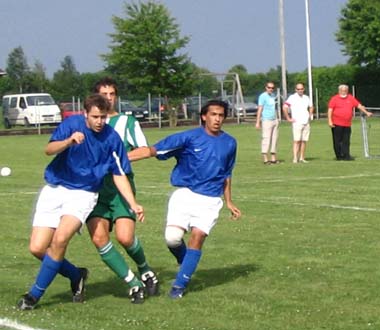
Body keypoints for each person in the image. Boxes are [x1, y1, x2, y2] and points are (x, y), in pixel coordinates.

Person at [17, 94, 144, 310]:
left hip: (83, 194)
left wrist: (133, 203)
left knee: (60, 240)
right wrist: (68, 141)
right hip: (55, 189)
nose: (99, 122)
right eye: (95, 117)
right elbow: (49, 150)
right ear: (85, 113)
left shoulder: (111, 138)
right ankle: (76, 275)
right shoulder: (71, 124)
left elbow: (119, 173)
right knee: (37, 248)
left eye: (103, 117)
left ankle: (34, 295)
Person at [149, 100, 241, 299]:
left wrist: (229, 201)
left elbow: (227, 173)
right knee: (172, 238)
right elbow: (154, 150)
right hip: (184, 195)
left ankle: (179, 286)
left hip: (210, 200)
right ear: (204, 116)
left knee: (197, 236)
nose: (217, 119)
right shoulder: (189, 137)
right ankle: (186, 264)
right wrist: (123, 158)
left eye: (221, 115)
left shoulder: (230, 142)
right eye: (213, 114)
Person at [87, 77, 159, 304]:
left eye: (112, 94)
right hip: (95, 189)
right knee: (99, 238)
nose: (108, 98)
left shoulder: (127, 122)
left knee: (125, 238)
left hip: (121, 188)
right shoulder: (89, 124)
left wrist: (118, 159)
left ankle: (145, 269)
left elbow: (146, 150)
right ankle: (132, 282)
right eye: (104, 94)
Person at [328, 84, 372, 161]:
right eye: (342, 90)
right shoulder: (334, 99)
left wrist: (367, 112)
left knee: (346, 140)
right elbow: (330, 110)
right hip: (337, 123)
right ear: (339, 91)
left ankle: (346, 155)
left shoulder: (350, 98)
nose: (344, 92)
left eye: (345, 90)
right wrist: (330, 121)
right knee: (337, 141)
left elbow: (359, 105)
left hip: (347, 124)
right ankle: (339, 155)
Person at [282, 83, 314, 163]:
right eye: (298, 89)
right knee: (297, 140)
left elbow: (311, 106)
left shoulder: (306, 98)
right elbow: (285, 107)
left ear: (304, 89)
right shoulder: (292, 97)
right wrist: (288, 118)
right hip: (297, 122)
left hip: (306, 122)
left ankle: (302, 157)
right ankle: (295, 158)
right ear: (296, 90)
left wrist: (309, 115)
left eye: (301, 89)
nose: (300, 90)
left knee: (304, 140)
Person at [255, 81, 280, 164]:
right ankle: (265, 158)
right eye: (269, 87)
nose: (271, 89)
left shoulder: (273, 96)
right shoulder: (262, 96)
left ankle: (273, 158)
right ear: (266, 88)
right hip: (266, 120)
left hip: (274, 119)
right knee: (266, 138)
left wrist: (277, 118)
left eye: (272, 88)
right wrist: (258, 122)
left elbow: (274, 107)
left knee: (274, 139)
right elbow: (260, 109)